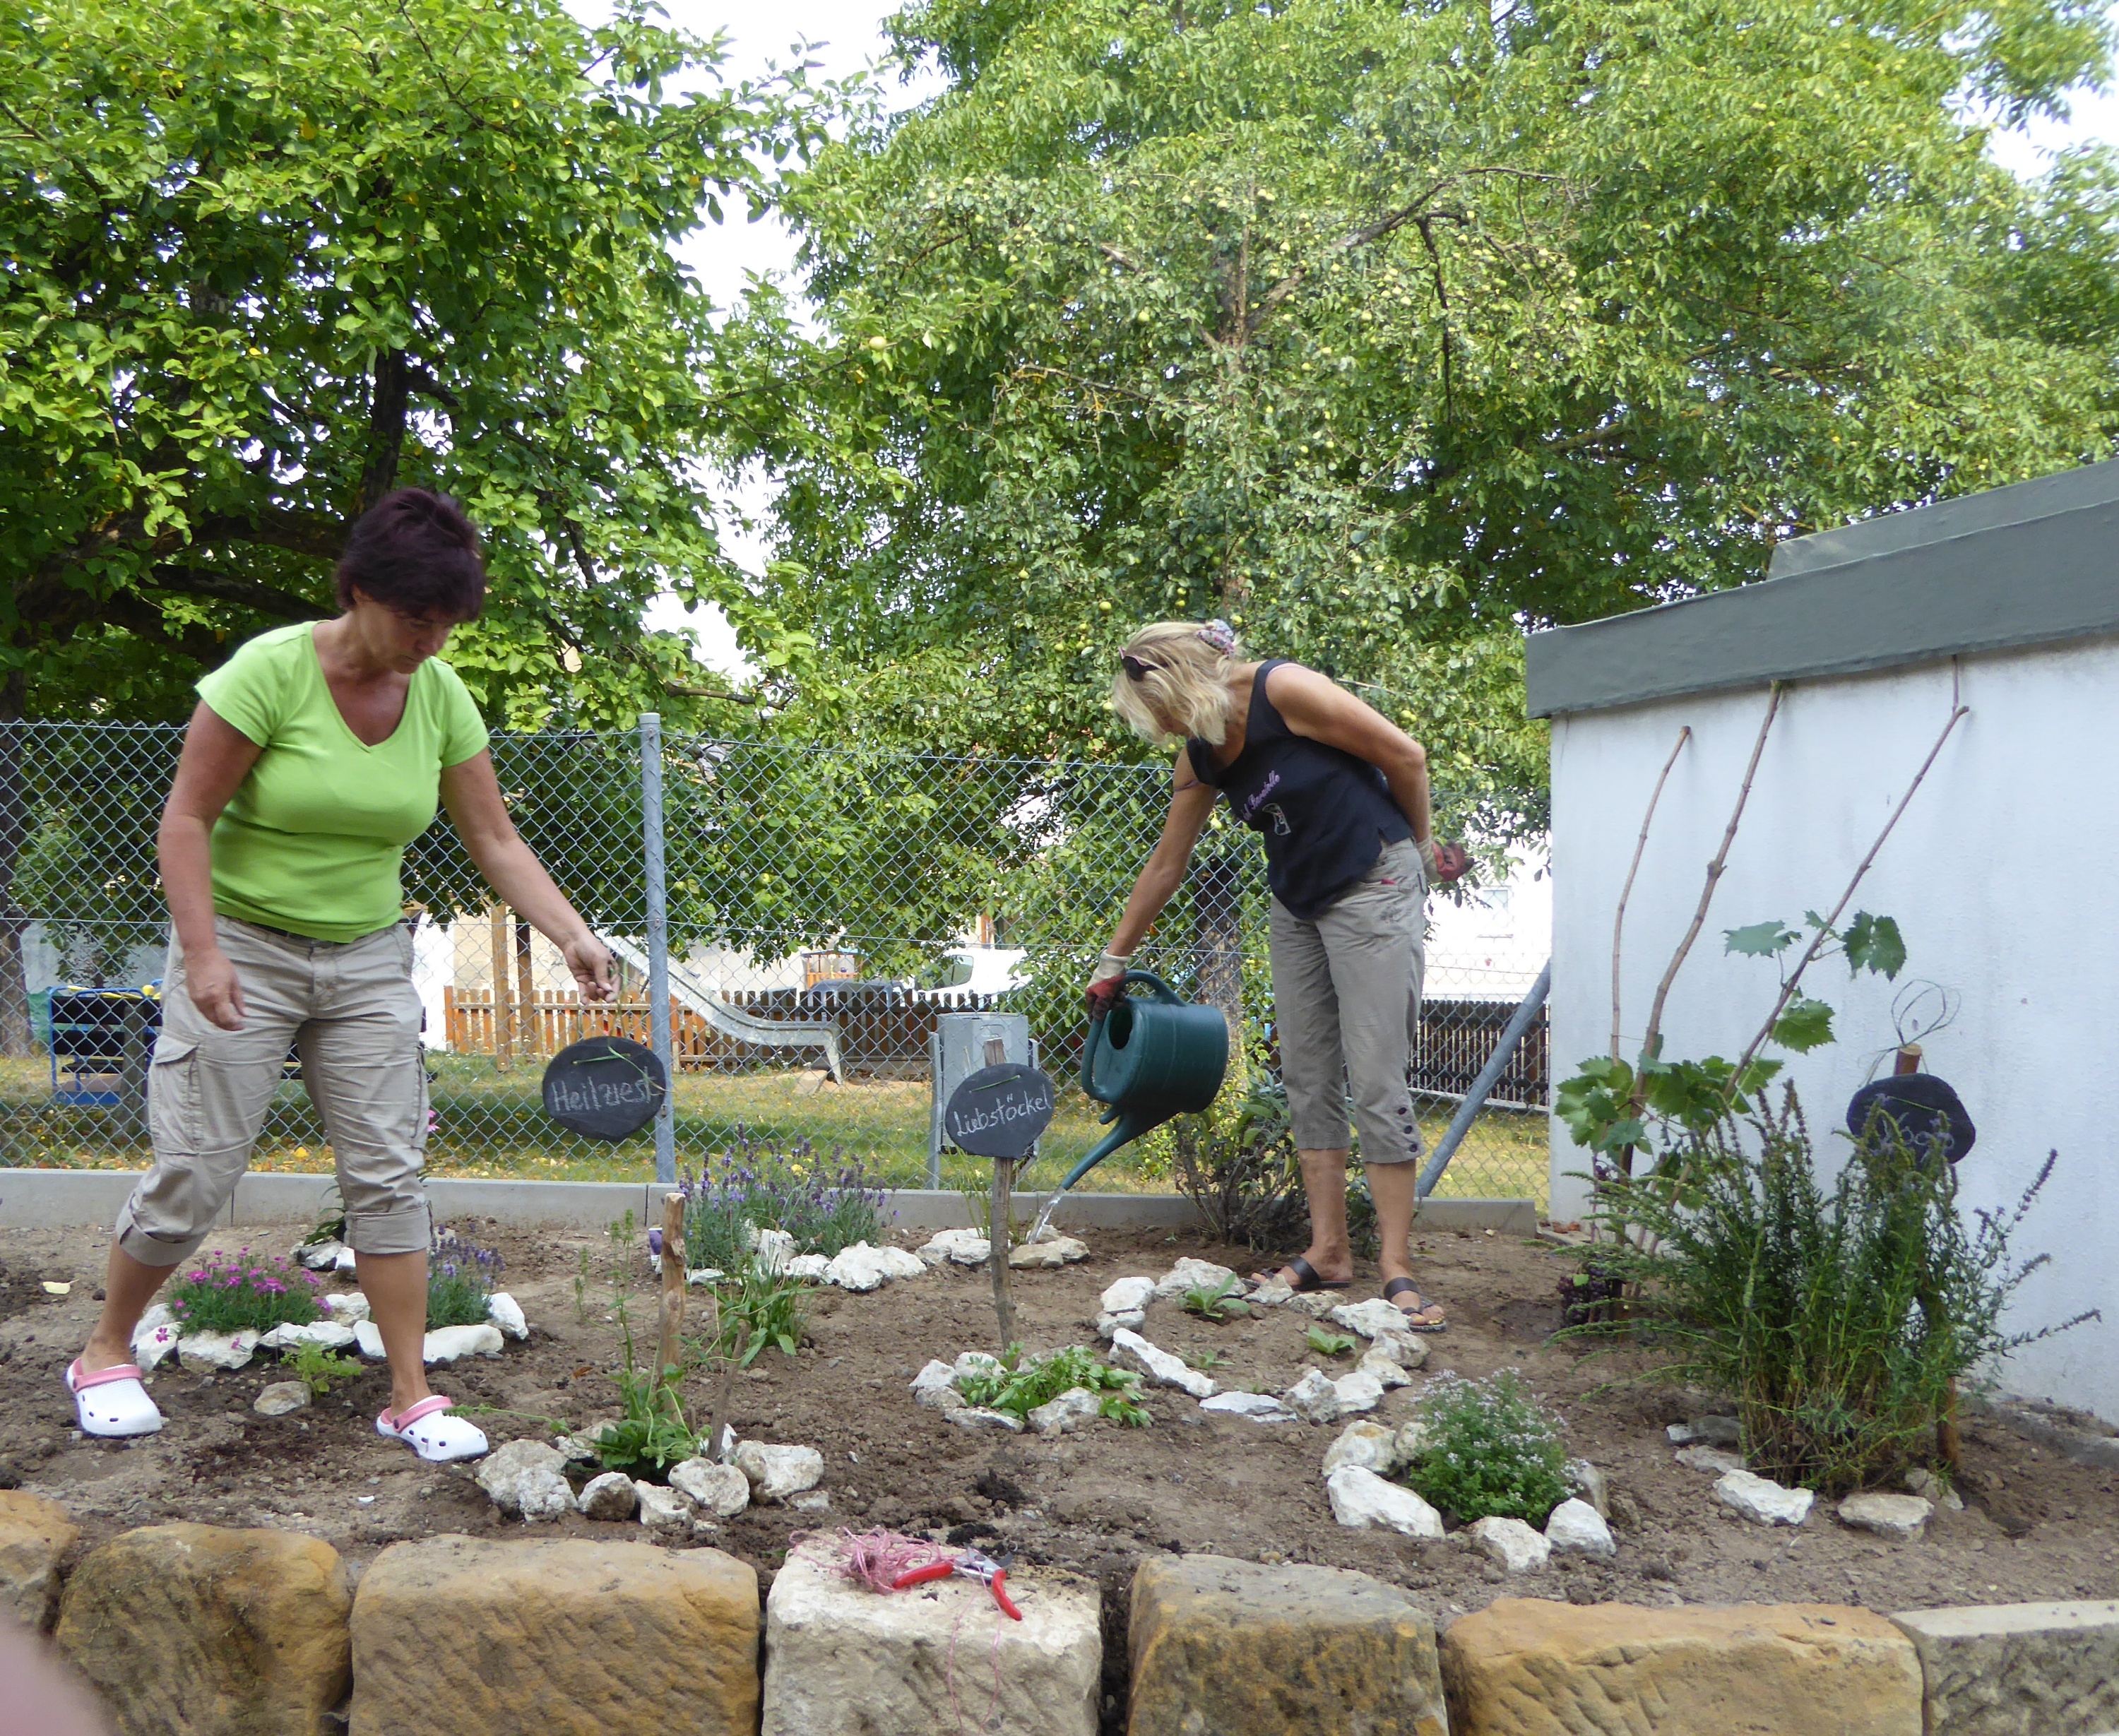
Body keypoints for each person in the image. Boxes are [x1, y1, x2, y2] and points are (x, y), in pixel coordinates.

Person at [66, 489, 615, 1461]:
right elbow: (185, 819)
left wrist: (571, 930)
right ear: (359, 589)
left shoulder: (439, 696)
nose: (432, 640)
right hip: (244, 946)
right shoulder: (268, 675)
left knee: (388, 1173)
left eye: (448, 622)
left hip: (366, 957)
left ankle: (409, 1392)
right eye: (417, 617)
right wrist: (202, 954)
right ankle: (104, 1351)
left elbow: (493, 835)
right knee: (197, 1169)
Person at [1091, 620, 1468, 1326]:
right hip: (1299, 903)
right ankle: (1329, 1251)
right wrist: (1115, 960)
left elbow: (1407, 757)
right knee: (1306, 1073)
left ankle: (1396, 1265)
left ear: (1182, 683)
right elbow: (1165, 867)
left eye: (1162, 710)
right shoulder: (1202, 757)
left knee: (1378, 1076)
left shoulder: (1283, 691)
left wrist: (1418, 851)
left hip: (1374, 881)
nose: (1165, 728)